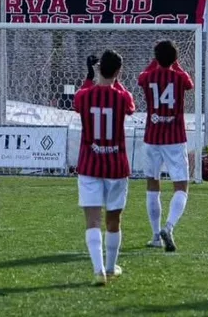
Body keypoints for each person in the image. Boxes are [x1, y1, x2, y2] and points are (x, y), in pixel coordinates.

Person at [73, 50, 135, 286]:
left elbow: (78, 99)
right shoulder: (122, 97)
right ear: (118, 71)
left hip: (90, 165)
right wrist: (115, 81)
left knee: (92, 220)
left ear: (99, 68)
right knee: (113, 220)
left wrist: (90, 76)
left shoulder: (84, 96)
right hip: (116, 167)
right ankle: (110, 268)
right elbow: (130, 106)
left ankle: (99, 270)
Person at [138, 39, 194, 252]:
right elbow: (189, 84)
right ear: (175, 58)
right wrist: (175, 63)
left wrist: (156, 61)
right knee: (181, 186)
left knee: (153, 184)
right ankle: (168, 227)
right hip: (175, 138)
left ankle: (155, 235)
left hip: (152, 137)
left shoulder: (147, 77)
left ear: (155, 58)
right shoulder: (180, 77)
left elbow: (141, 77)